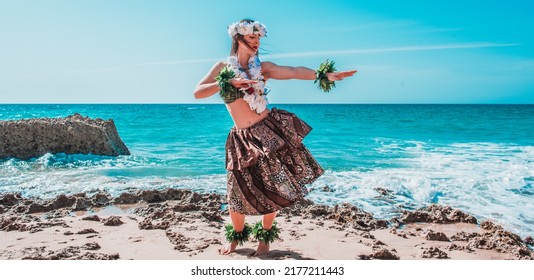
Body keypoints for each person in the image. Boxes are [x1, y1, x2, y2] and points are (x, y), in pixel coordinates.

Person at [193, 19, 357, 256]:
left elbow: (292, 72)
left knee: (276, 185)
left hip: (268, 130)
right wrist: (228, 82)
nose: (257, 42)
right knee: (236, 190)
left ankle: (264, 239)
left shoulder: (263, 67)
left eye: (259, 38)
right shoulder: (222, 68)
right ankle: (235, 238)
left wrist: (325, 75)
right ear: (238, 38)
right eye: (252, 38)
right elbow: (198, 92)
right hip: (241, 137)